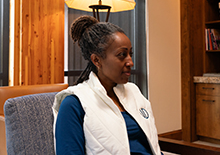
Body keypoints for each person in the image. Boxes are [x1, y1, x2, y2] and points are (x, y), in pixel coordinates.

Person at [52, 15, 162, 155]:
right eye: (122, 54)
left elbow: (152, 146)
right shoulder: (74, 104)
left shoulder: (133, 92)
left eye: (130, 54)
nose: (130, 62)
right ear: (97, 60)